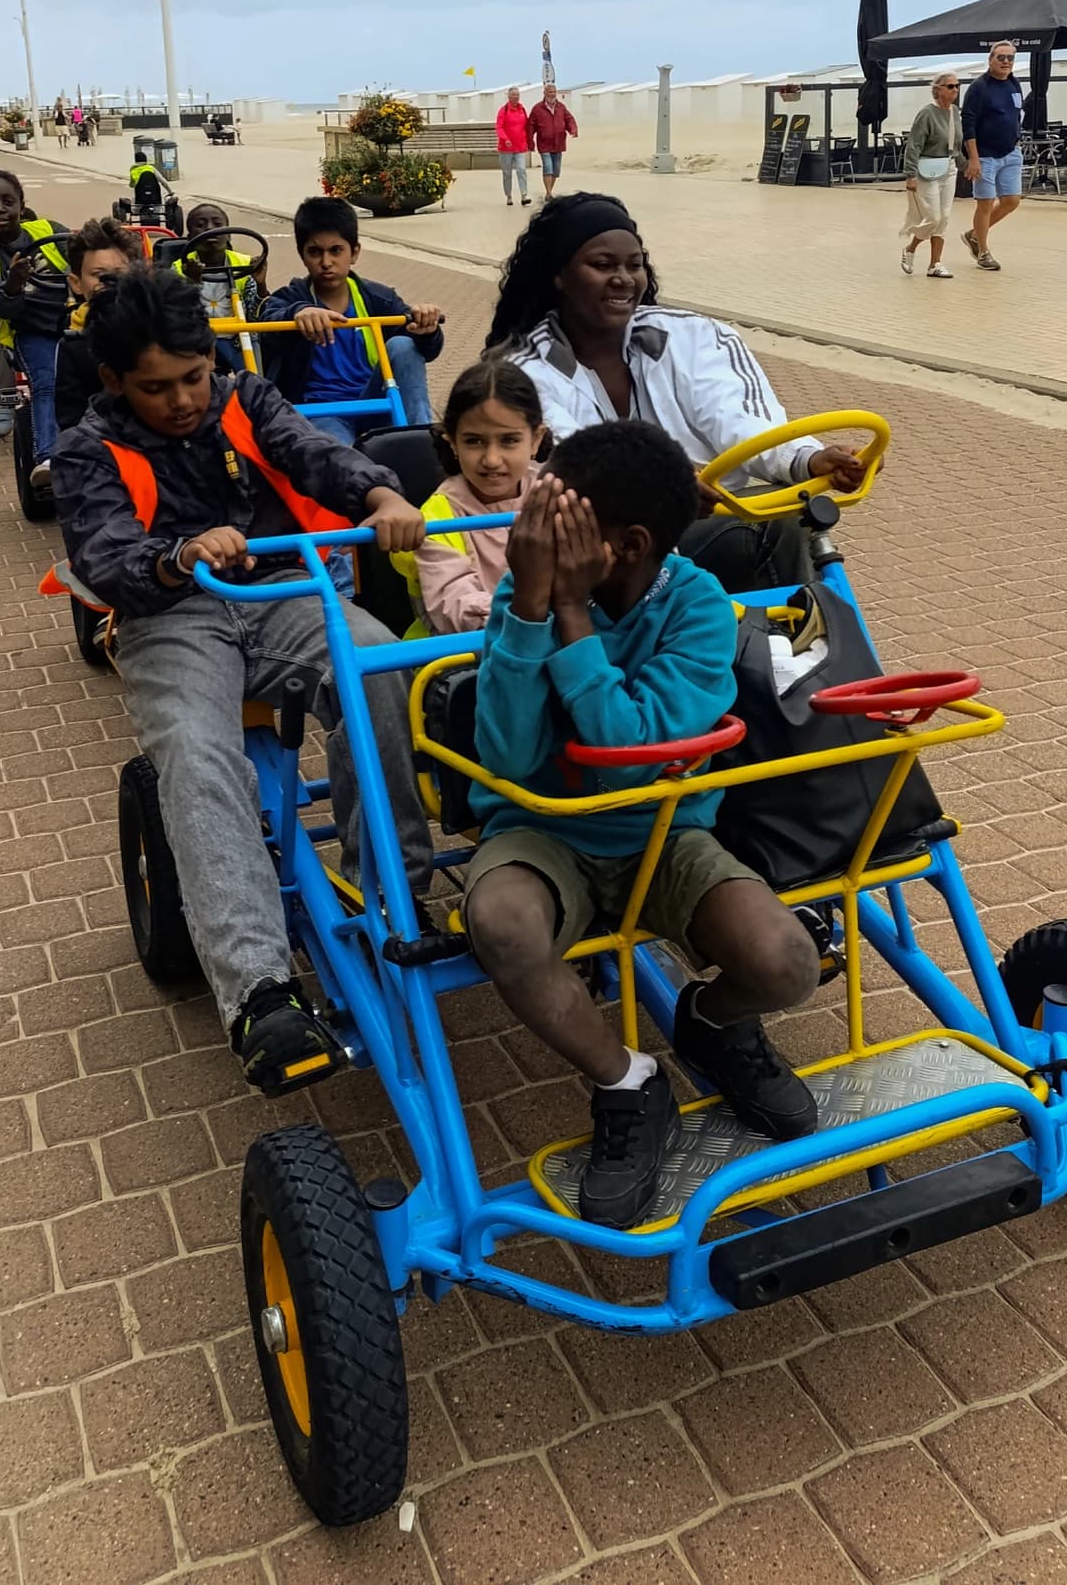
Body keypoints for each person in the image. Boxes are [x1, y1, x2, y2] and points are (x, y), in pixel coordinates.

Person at [50, 267, 430, 1090]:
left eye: (195, 376)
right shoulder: (87, 449)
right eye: (158, 388)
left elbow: (315, 452)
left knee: (375, 674)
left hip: (283, 592)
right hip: (169, 615)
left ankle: (397, 898)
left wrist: (376, 492)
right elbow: (105, 554)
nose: (184, 399)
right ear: (115, 381)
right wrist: (178, 554)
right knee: (195, 749)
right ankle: (260, 991)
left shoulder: (245, 399)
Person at [463, 423, 824, 1228]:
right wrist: (533, 609)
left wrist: (569, 616)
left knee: (788, 962)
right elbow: (508, 756)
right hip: (544, 832)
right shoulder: (523, 597)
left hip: (664, 836)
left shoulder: (697, 609)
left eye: (555, 521)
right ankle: (628, 1081)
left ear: (624, 546)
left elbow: (629, 758)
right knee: (500, 922)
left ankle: (712, 1027)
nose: (532, 533)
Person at [489, 193, 864, 591]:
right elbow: (570, 459)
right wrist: (663, 489)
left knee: (789, 509)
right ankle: (786, 646)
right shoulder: (522, 371)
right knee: (776, 530)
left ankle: (784, 642)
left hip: (703, 525)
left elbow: (738, 418)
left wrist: (807, 458)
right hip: (602, 549)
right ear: (559, 275)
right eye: (602, 265)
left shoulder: (695, 336)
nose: (623, 278)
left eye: (635, 265)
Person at [258, 197, 445, 432]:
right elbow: (268, 324)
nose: (326, 262)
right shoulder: (289, 299)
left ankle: (422, 441)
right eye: (315, 252)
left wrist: (428, 329)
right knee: (341, 462)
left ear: (354, 253)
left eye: (336, 251)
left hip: (376, 403)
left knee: (404, 346)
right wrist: (298, 313)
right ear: (302, 255)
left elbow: (426, 350)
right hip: (323, 413)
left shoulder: (380, 298)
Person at [392, 358, 547, 636]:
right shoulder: (437, 519)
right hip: (463, 661)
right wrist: (536, 616)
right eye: (474, 441)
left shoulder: (555, 495)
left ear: (536, 439)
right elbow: (455, 606)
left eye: (509, 440)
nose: (491, 459)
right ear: (452, 442)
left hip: (548, 643)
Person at [0, 170, 72, 485]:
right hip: (32, 331)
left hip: (76, 321)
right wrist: (12, 284)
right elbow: (1, 305)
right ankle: (47, 458)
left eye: (7, 201)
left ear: (21, 205)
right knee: (46, 383)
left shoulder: (50, 231)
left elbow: (86, 261)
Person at [55, 218, 144, 436]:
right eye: (98, 275)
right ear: (76, 283)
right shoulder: (74, 346)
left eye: (119, 273)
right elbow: (71, 420)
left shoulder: (156, 331)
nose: (110, 282)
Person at [173, 201, 267, 371]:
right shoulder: (179, 268)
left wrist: (261, 284)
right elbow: (177, 315)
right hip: (196, 339)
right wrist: (192, 282)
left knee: (257, 379)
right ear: (189, 238)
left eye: (217, 224)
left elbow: (255, 315)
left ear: (229, 234)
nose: (210, 229)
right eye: (201, 225)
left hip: (239, 338)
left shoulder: (245, 264)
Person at [961, 41, 1024, 272]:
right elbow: (968, 123)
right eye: (1001, 58)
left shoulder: (1014, 84)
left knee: (1011, 200)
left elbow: (1016, 115)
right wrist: (973, 158)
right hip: (985, 155)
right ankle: (983, 252)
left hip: (1011, 152)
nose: (1006, 62)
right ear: (991, 60)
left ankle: (974, 235)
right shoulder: (979, 87)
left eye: (1010, 58)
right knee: (985, 202)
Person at [899, 74, 964, 279]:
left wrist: (966, 166)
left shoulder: (955, 112)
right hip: (926, 169)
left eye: (957, 86)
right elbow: (914, 145)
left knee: (943, 218)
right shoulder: (927, 114)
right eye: (950, 86)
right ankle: (911, 248)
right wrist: (910, 174)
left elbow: (955, 146)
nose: (955, 89)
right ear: (938, 90)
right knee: (933, 217)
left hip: (949, 167)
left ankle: (935, 263)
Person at [527, 78, 578, 202]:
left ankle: (549, 190)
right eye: (549, 92)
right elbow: (531, 125)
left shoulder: (561, 107)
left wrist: (573, 129)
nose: (552, 94)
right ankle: (549, 193)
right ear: (544, 93)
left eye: (554, 92)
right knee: (548, 167)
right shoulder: (537, 108)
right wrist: (530, 141)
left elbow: (569, 119)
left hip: (558, 143)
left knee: (555, 170)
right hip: (544, 144)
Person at [496, 86, 532, 209]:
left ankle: (524, 195)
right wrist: (505, 139)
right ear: (509, 96)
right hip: (506, 148)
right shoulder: (503, 110)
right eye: (513, 95)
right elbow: (499, 127)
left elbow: (526, 126)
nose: (515, 97)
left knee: (521, 170)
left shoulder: (522, 109)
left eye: (517, 95)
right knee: (507, 173)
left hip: (520, 146)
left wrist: (528, 140)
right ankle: (509, 195)